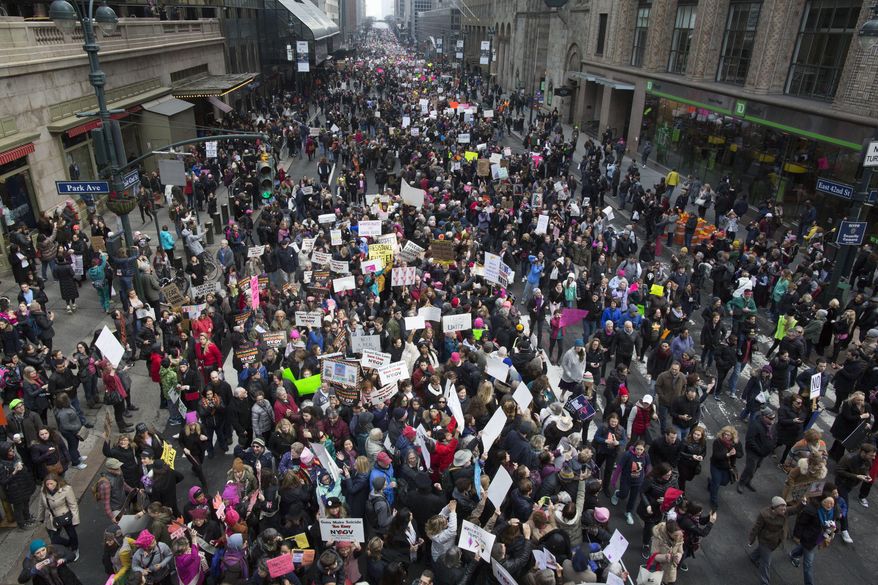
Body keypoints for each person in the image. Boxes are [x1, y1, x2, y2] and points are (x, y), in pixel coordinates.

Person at [37, 474, 80, 561]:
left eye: (51, 484)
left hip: (65, 516)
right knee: (54, 538)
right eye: (47, 484)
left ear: (56, 482)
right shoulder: (43, 491)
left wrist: (75, 519)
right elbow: (41, 504)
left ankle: (75, 549)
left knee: (72, 534)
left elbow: (73, 505)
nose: (49, 486)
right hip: (51, 517)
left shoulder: (66, 489)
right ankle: (68, 544)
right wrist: (40, 517)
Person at [737, 407, 777, 493]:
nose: (772, 420)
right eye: (770, 418)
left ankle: (748, 482)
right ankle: (742, 482)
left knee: (756, 467)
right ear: (764, 417)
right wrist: (759, 450)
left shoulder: (770, 426)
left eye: (774, 418)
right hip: (754, 452)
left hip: (763, 452)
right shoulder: (755, 425)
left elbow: (774, 436)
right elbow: (750, 440)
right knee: (750, 468)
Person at [708, 425, 742, 510]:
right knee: (716, 484)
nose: (726, 436)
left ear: (732, 436)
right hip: (716, 465)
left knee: (723, 482)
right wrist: (727, 455)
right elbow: (716, 455)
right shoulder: (718, 442)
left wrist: (735, 453)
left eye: (728, 435)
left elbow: (741, 454)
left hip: (727, 467)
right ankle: (713, 501)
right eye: (725, 434)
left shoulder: (736, 443)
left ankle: (710, 482)